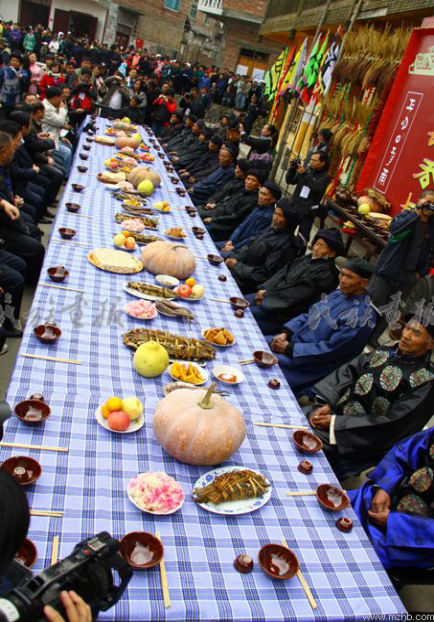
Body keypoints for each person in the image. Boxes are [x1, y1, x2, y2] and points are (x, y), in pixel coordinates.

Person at [308, 316, 434, 480]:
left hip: (359, 437)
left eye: (416, 333)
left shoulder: (425, 381)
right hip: (335, 414)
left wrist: (336, 424)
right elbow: (352, 370)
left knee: (306, 440)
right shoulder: (389, 348)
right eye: (408, 327)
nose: (406, 335)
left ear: (430, 344)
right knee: (296, 418)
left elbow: (393, 424)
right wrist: (328, 404)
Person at [268, 258, 376, 398]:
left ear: (364, 283)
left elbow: (331, 350)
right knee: (258, 343)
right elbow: (309, 315)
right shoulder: (338, 294)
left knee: (263, 366)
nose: (343, 280)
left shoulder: (362, 316)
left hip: (309, 363)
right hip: (292, 343)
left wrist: (289, 349)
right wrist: (286, 333)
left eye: (349, 277)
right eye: (342, 274)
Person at [348, 428, 434, 569]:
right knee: (331, 506)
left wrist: (394, 521)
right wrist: (385, 487)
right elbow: (407, 450)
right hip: (384, 499)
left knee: (351, 555)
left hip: (411, 537)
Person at [247, 228, 345, 336]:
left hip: (283, 310)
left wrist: (267, 297)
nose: (316, 248)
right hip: (271, 295)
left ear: (332, 253)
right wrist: (265, 290)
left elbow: (298, 294)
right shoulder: (307, 259)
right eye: (317, 243)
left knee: (246, 314)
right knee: (242, 301)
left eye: (322, 246)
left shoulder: (327, 274)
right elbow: (282, 274)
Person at [368, 190, 434, 347]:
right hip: (389, 269)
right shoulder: (407, 215)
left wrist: (421, 273)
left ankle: (373, 338)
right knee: (374, 303)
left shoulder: (432, 227)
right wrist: (417, 213)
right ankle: (358, 331)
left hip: (410, 276)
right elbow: (395, 229)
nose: (430, 206)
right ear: (420, 200)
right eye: (428, 202)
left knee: (391, 308)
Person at [225, 197, 300, 294]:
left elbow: (263, 274)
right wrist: (234, 257)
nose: (274, 218)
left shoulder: (285, 245)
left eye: (280, 216)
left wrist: (237, 266)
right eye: (275, 213)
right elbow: (250, 247)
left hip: (249, 283)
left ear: (288, 221)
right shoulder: (272, 229)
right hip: (241, 270)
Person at [0, 132, 45, 284]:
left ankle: (32, 279)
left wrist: (8, 201)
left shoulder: (4, 167)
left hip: (9, 213)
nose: (17, 147)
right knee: (34, 248)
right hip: (4, 227)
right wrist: (21, 228)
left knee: (33, 229)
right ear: (4, 151)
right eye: (14, 146)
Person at [218, 181, 282, 255]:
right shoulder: (258, 208)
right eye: (260, 193)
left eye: (264, 194)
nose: (260, 196)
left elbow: (253, 238)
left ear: (272, 199)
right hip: (234, 243)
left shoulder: (268, 216)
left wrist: (234, 248)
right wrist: (231, 240)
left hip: (241, 250)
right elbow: (242, 225)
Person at [203, 169, 265, 242]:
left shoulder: (253, 200)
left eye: (253, 180)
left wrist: (213, 220)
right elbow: (226, 201)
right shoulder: (242, 191)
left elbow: (235, 217)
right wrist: (216, 205)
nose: (249, 182)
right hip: (216, 214)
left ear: (259, 185)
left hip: (223, 227)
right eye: (248, 179)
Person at [285, 150, 331, 241]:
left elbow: (317, 188)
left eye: (314, 160)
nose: (311, 162)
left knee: (302, 239)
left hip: (308, 212)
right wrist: (292, 169)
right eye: (311, 159)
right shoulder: (306, 170)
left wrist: (305, 174)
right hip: (295, 207)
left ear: (322, 163)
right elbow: (290, 181)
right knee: (286, 234)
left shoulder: (325, 177)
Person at [42, 86, 73, 175]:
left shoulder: (52, 105)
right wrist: (63, 108)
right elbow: (60, 121)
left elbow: (56, 124)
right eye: (61, 98)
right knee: (67, 152)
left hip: (55, 137)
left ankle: (67, 172)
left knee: (69, 145)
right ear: (55, 98)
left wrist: (60, 137)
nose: (62, 101)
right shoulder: (46, 108)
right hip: (47, 141)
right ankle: (65, 176)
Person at [0, 54, 23, 118]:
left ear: (20, 63)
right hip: (3, 99)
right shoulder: (3, 70)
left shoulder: (22, 72)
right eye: (13, 60)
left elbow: (24, 85)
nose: (14, 62)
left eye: (17, 61)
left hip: (16, 100)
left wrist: (22, 78)